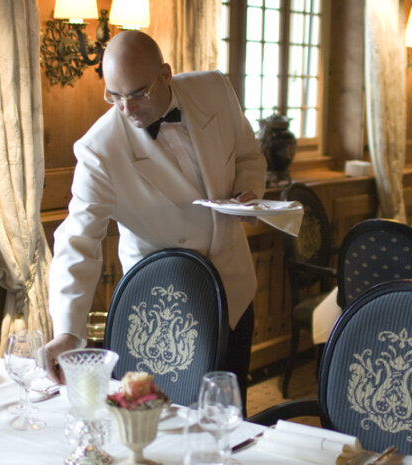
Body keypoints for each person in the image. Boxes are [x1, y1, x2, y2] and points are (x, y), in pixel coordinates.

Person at [43, 31, 265, 410]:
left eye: (138, 94)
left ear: (165, 74)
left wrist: (248, 189)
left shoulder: (214, 89)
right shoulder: (100, 150)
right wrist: (67, 332)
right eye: (114, 96)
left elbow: (248, 154)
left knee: (228, 413)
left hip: (234, 289)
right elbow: (76, 242)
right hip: (163, 306)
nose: (126, 108)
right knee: (159, 418)